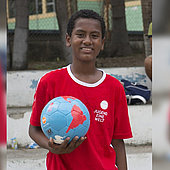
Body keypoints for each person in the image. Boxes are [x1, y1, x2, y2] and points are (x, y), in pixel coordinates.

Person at [29, 9, 132, 170]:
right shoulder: (49, 82)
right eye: (80, 34)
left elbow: (117, 141)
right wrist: (52, 146)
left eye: (94, 36)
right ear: (69, 39)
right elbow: (34, 129)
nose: (87, 41)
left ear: (102, 43)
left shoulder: (114, 88)